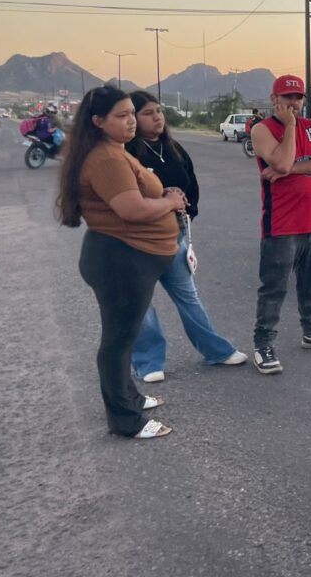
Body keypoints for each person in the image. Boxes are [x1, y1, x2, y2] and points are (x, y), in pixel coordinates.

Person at [56, 86, 185, 439]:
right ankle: (125, 419)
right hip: (120, 260)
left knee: (123, 337)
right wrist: (171, 203)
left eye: (132, 113)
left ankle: (128, 397)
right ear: (98, 121)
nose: (131, 121)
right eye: (121, 116)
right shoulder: (108, 159)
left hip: (126, 257)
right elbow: (132, 209)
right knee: (118, 339)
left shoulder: (114, 151)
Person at [126, 91, 247, 383]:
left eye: (159, 111)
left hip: (174, 236)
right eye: (148, 113)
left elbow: (191, 186)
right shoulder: (126, 155)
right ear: (133, 119)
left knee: (188, 297)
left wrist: (187, 214)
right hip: (139, 240)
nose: (157, 117)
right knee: (141, 302)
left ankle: (215, 350)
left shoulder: (174, 148)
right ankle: (148, 362)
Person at [250, 75, 311, 375]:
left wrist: (290, 169)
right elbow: (278, 163)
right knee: (274, 288)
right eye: (287, 97)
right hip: (281, 223)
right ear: (273, 99)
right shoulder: (262, 130)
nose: (293, 104)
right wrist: (291, 127)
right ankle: (263, 344)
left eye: (298, 98)